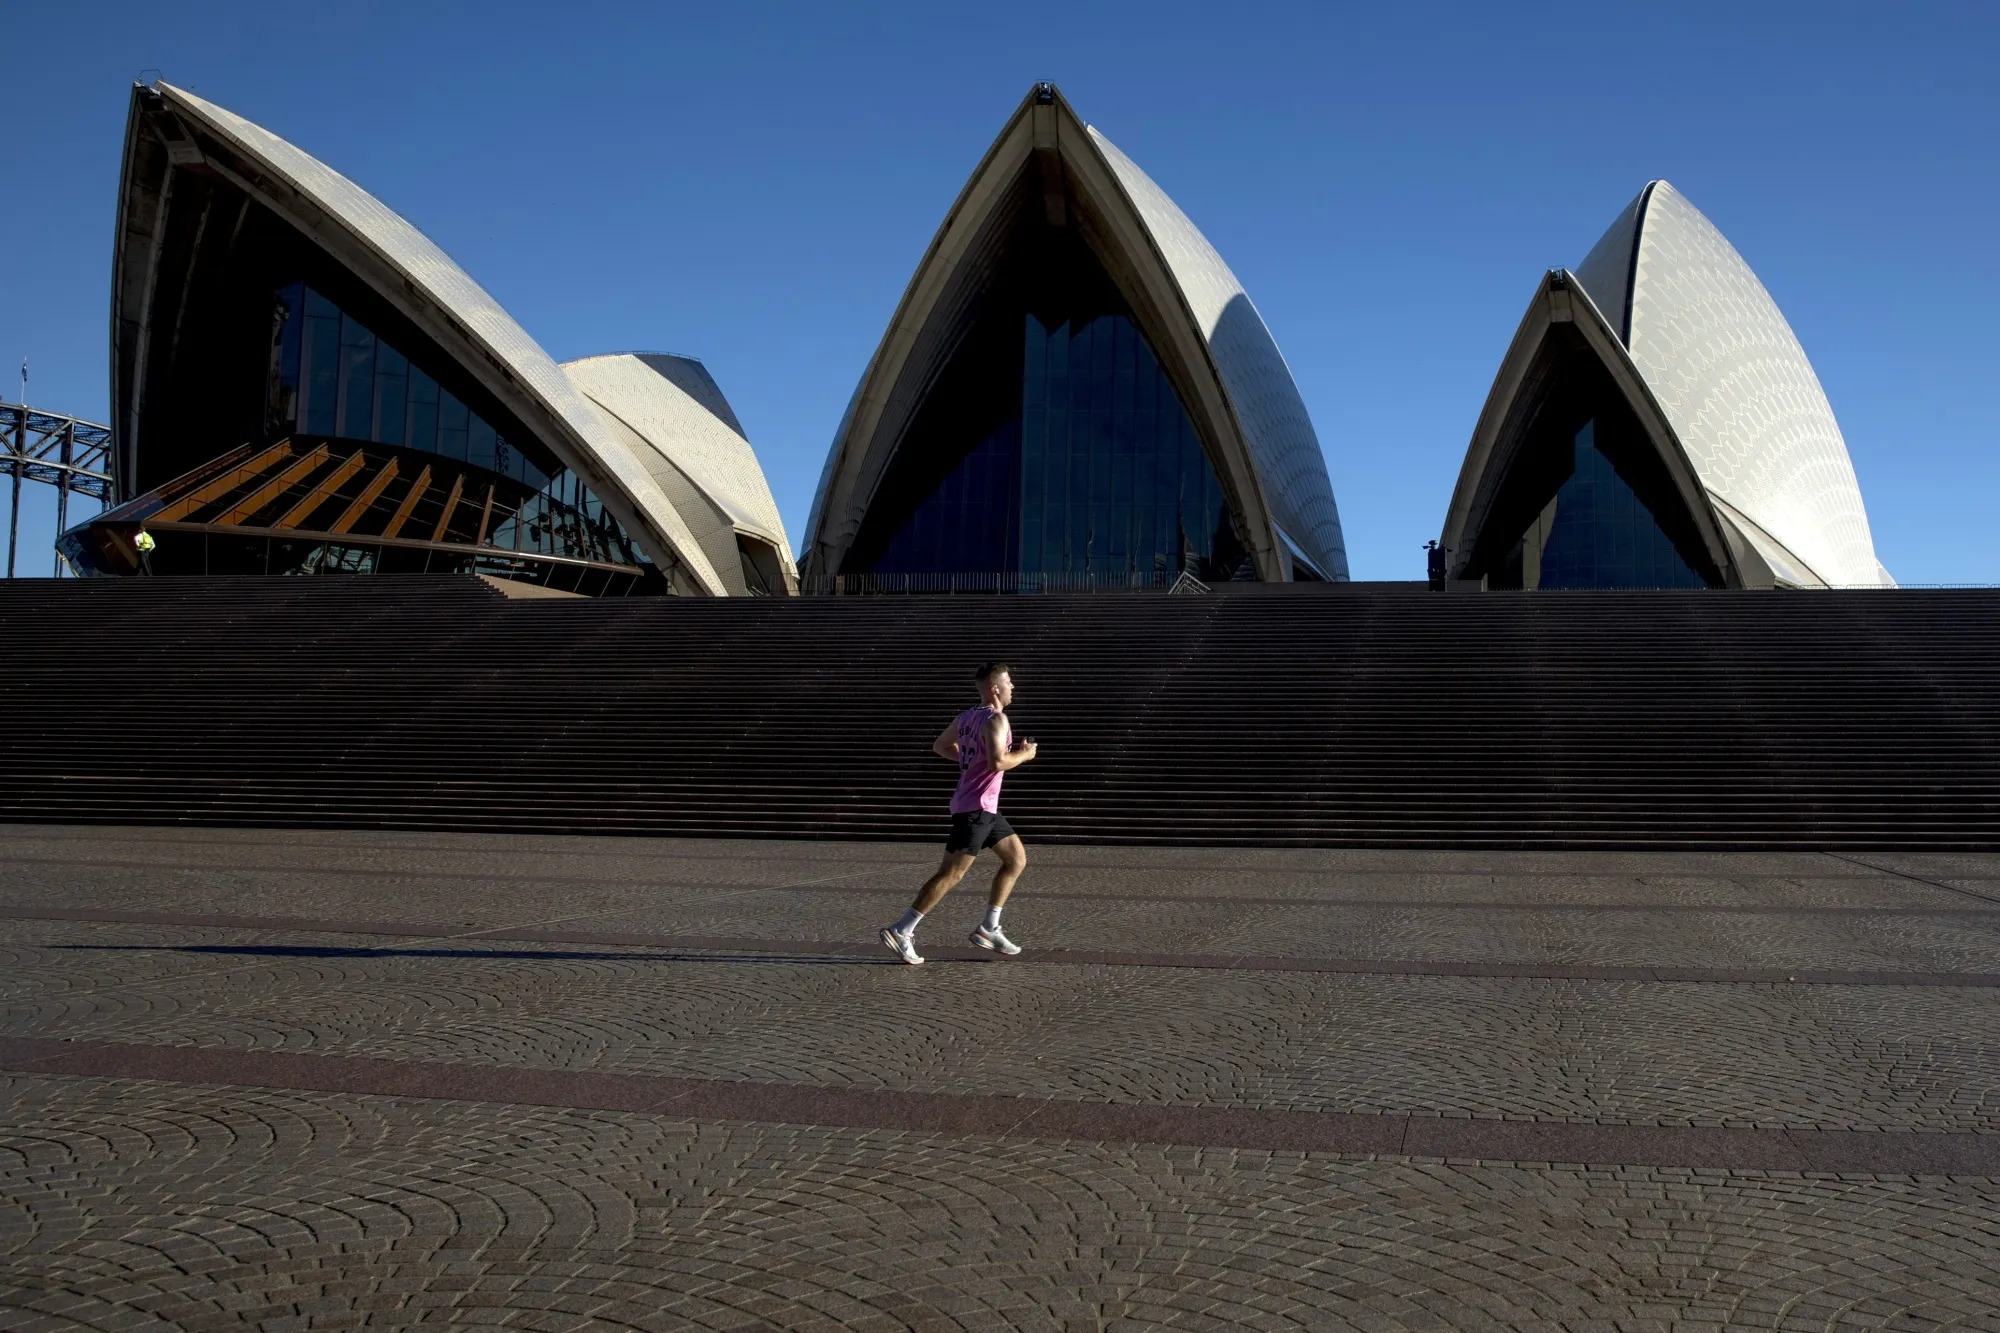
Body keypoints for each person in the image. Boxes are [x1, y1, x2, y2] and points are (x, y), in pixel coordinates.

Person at [880, 662, 1039, 965]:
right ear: (995, 688)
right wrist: (1025, 755)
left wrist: (972, 761)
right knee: (951, 873)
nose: (1013, 687)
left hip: (984, 807)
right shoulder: (996, 720)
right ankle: (902, 930)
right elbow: (997, 763)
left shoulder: (967, 716)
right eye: (1008, 682)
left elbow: (941, 746)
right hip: (975, 809)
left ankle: (989, 927)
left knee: (1016, 858)